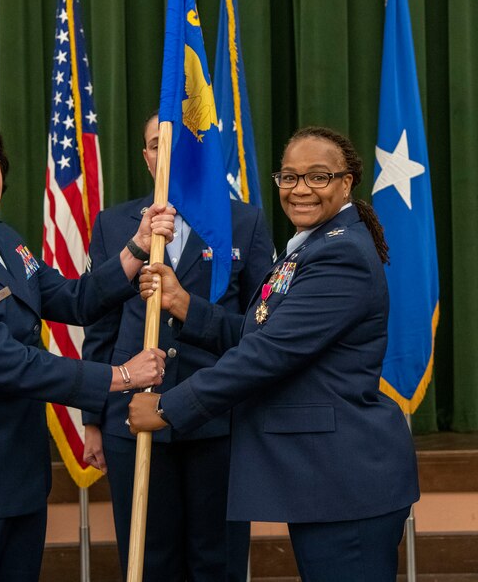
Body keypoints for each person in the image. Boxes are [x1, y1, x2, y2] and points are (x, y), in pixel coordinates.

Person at [0, 111, 174, 582]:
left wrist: (137, 247)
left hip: (15, 479)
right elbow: (9, 364)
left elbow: (73, 299)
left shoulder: (0, 237)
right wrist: (122, 377)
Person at [129, 126, 420, 581]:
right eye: (289, 177)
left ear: (347, 183)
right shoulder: (312, 247)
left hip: (345, 485)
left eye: (318, 177)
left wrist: (167, 407)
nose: (300, 189)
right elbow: (261, 333)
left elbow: (266, 355)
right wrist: (184, 305)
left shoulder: (338, 255)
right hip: (325, 482)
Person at [81, 112, 275, 581]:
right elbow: (99, 327)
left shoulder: (243, 222)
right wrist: (92, 420)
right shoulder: (114, 225)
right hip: (134, 421)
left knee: (217, 559)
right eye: (155, 145)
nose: (166, 154)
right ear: (147, 158)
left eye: (182, 145)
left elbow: (263, 327)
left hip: (217, 418)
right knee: (149, 560)